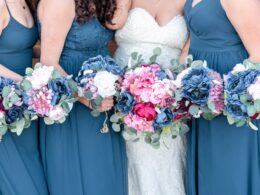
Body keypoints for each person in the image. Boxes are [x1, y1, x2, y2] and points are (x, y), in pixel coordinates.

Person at [37, 0, 129, 194]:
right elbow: (48, 62)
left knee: (103, 173)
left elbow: (118, 20)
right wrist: (86, 97)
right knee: (83, 174)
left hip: (103, 97)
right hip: (73, 99)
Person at [184, 0, 260, 194]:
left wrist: (223, 94)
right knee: (208, 167)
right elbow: (191, 43)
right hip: (201, 94)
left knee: (228, 170)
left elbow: (258, 52)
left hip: (230, 98)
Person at [114, 0, 189, 194]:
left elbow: (192, 43)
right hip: (125, 94)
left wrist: (171, 86)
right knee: (132, 159)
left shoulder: (186, 2)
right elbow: (113, 22)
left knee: (167, 156)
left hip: (169, 97)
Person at [0, 0, 48, 194]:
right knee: (17, 178)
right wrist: (27, 83)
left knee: (32, 166)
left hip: (27, 102)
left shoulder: (26, 2)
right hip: (6, 101)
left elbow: (21, 47)